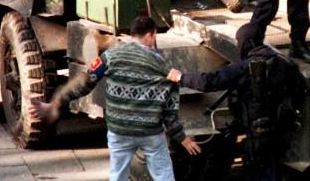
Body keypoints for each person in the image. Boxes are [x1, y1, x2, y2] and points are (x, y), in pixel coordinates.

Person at [28, 16, 201, 181]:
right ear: (151, 35)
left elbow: (84, 82)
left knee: (117, 175)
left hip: (119, 130)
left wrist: (55, 103)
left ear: (132, 35)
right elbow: (169, 111)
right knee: (163, 175)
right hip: (150, 132)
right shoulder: (164, 66)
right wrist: (182, 138)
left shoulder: (110, 57)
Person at [167, 23, 306, 181]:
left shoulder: (247, 67)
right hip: (280, 131)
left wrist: (181, 77)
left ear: (246, 43)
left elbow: (210, 81)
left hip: (257, 135)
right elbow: (300, 90)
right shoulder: (284, 62)